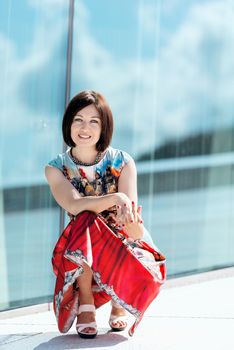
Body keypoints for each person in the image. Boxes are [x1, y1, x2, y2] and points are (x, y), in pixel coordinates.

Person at [45, 90, 166, 339]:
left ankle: (118, 302)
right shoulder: (56, 168)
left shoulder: (122, 161)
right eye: (78, 119)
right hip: (82, 245)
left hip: (123, 238)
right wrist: (114, 198)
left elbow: (128, 215)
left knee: (115, 228)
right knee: (86, 220)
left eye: (93, 121)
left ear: (104, 127)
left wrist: (134, 228)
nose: (84, 127)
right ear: (68, 123)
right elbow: (74, 204)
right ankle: (86, 305)